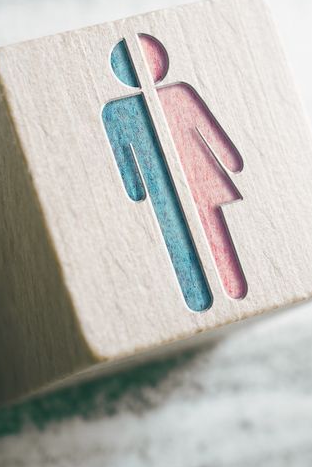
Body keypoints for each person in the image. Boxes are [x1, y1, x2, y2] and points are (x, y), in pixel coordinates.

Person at [102, 34, 246, 310]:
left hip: (201, 177)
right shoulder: (115, 111)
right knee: (177, 239)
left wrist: (230, 162)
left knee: (212, 231)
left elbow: (210, 132)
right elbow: (125, 161)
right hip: (165, 191)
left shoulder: (177, 93)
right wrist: (136, 190)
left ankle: (230, 288)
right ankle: (199, 299)